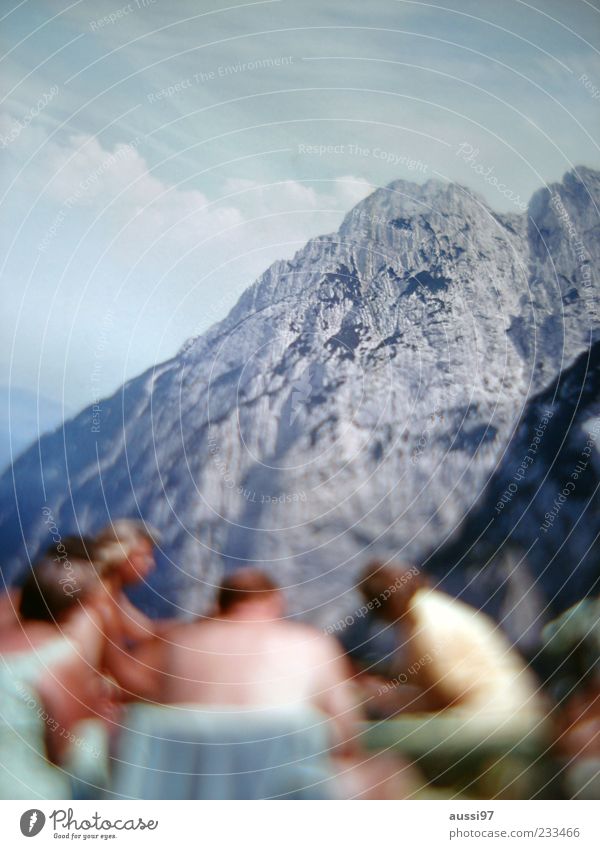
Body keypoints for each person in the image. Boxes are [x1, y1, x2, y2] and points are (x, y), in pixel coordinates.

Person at [113, 568, 413, 799]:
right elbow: (347, 739)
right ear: (274, 602)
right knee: (389, 771)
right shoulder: (311, 644)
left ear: (220, 604)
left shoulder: (179, 643)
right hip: (285, 795)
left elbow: (135, 697)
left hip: (188, 792)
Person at [358, 561, 545, 730]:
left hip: (497, 718)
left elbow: (446, 692)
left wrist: (394, 700)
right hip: (508, 712)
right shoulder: (426, 610)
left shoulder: (428, 624)